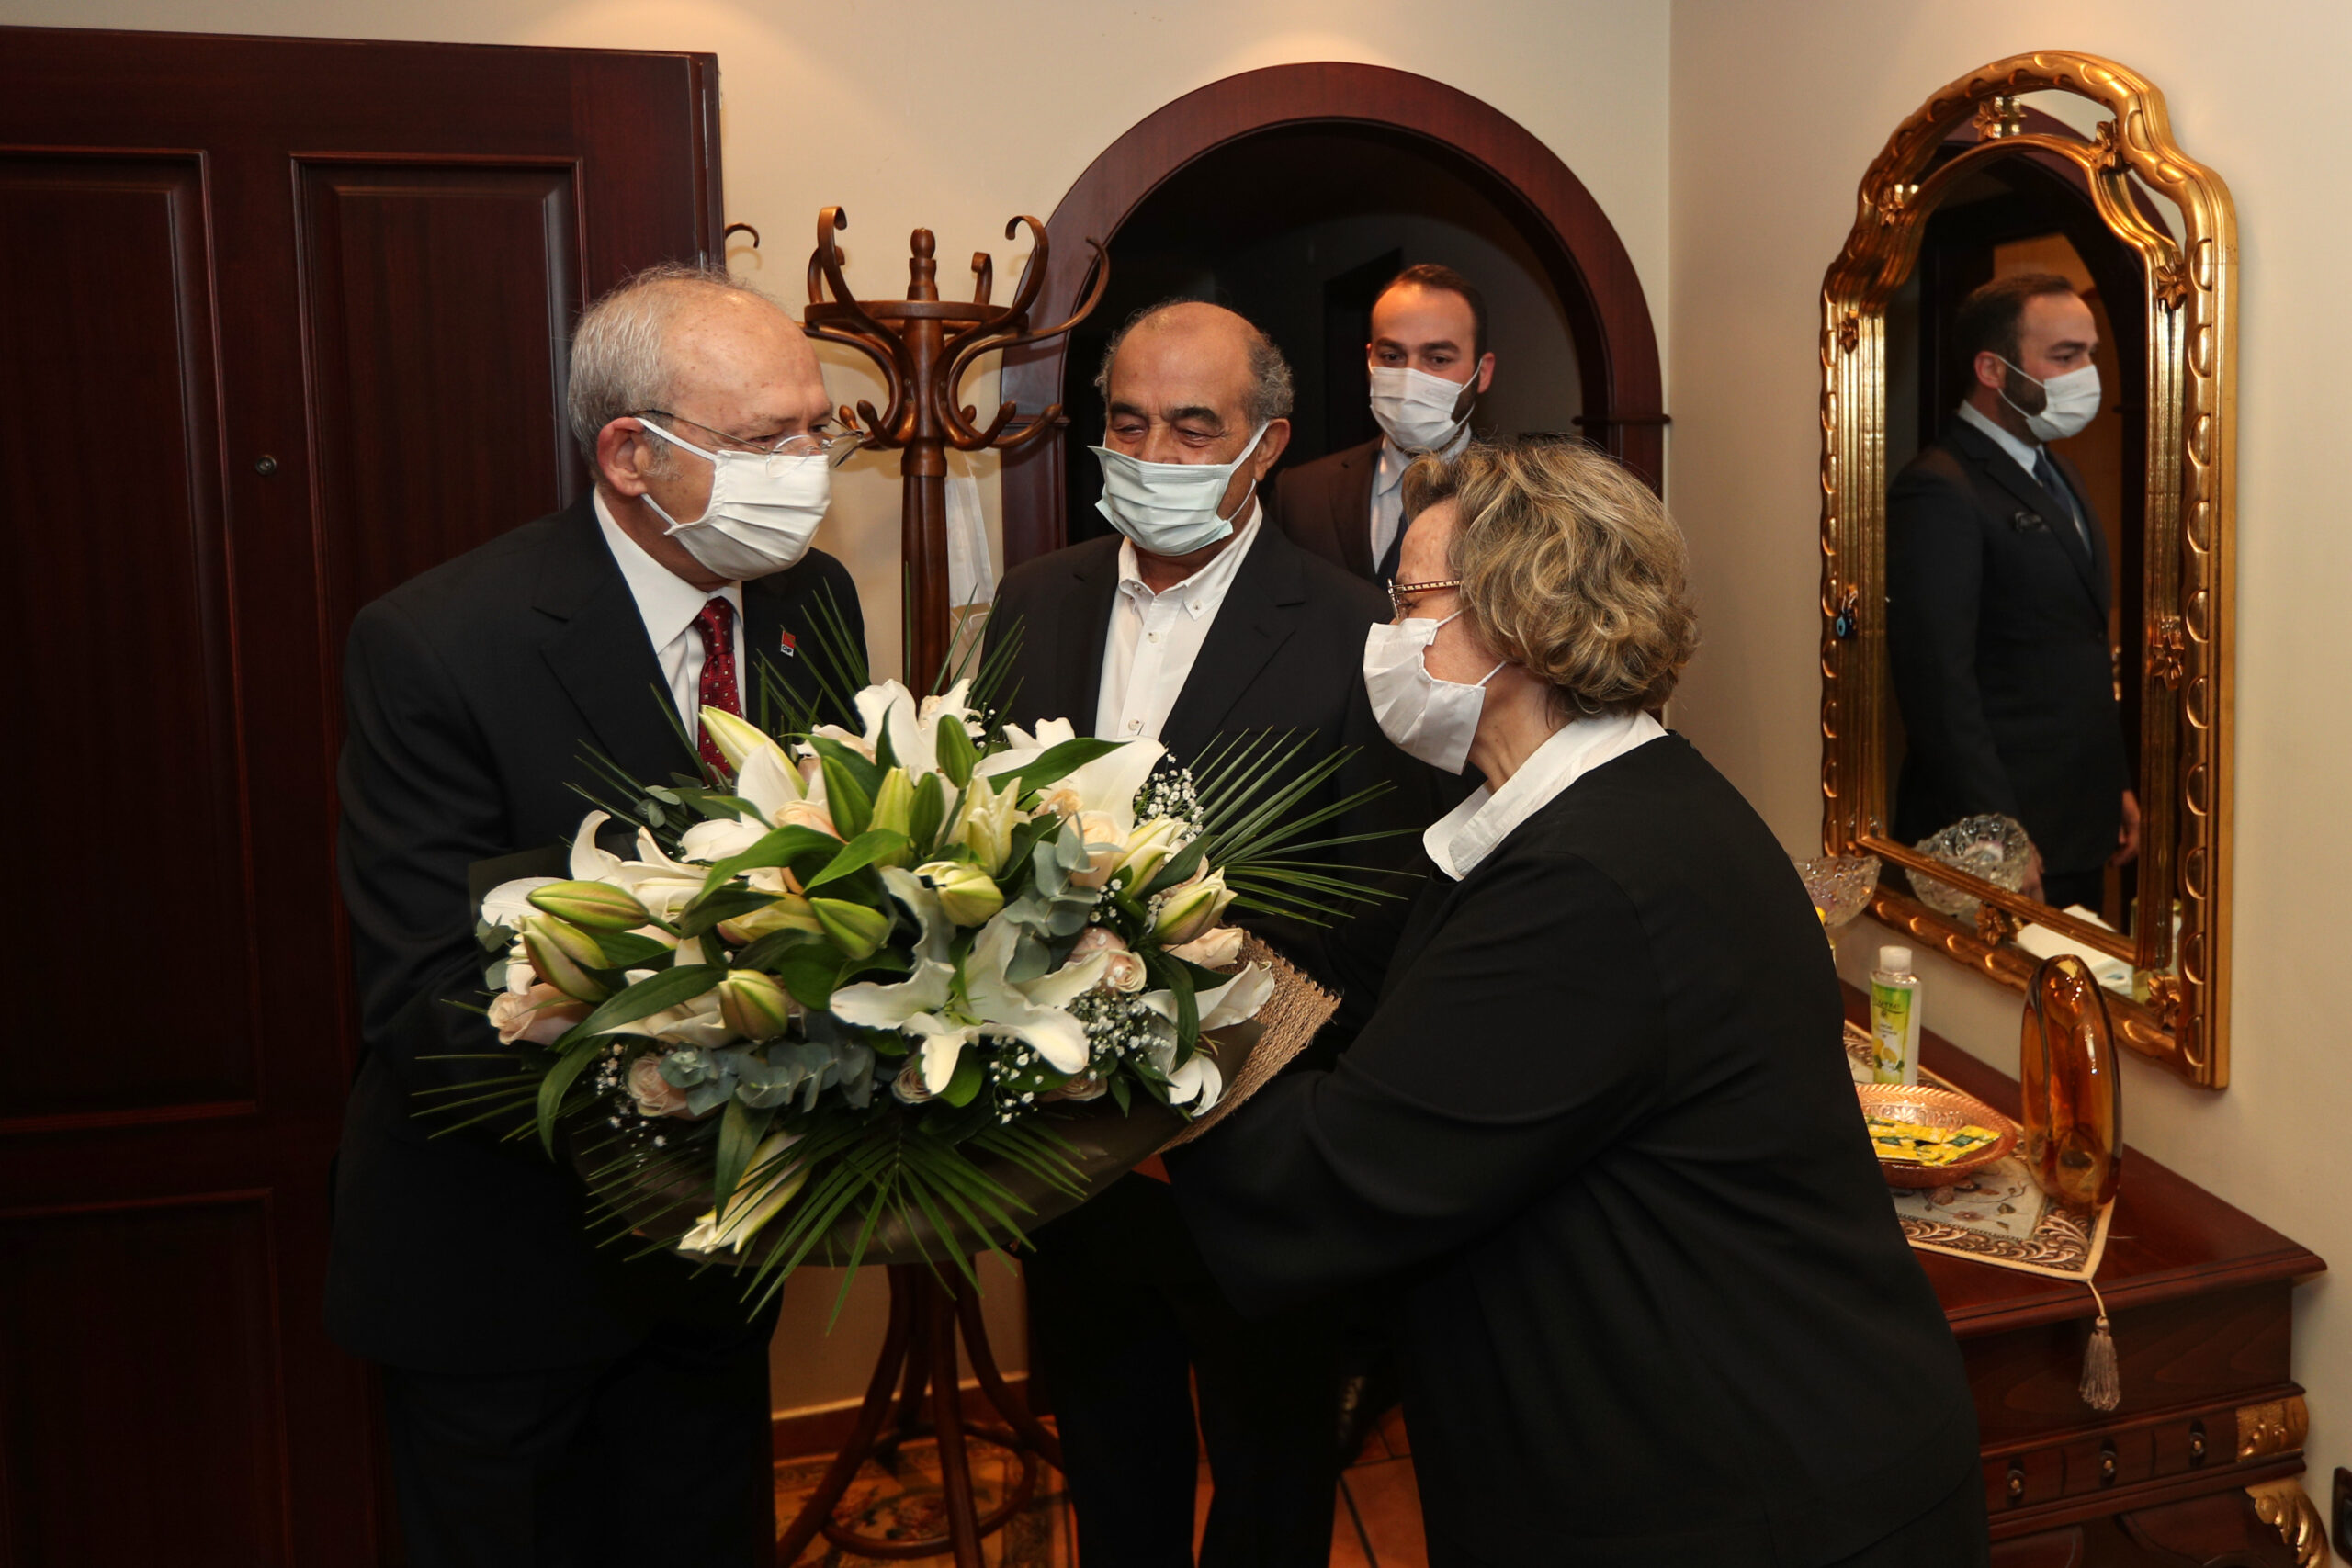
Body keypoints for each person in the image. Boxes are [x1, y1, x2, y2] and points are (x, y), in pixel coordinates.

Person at [1169, 439, 1989, 1568]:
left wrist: (1125, 1041)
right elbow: (1393, 1043)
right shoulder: (1589, 813)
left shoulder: (1594, 876)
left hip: (1763, 1500)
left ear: (1520, 618)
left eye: (1409, 601)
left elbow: (1337, 1174)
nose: (1387, 634)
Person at [327, 264, 865, 1567]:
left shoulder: (813, 604)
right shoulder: (441, 642)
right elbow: (428, 1002)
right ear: (631, 455)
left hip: (714, 1277)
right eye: (767, 440)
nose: (807, 468)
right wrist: (695, 1082)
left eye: (820, 429)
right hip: (501, 1280)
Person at [982, 299, 1431, 1567]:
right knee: (1110, 1462)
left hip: (1256, 1156)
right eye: (1128, 424)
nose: (1154, 455)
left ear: (1266, 443)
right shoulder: (1033, 601)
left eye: (1193, 428)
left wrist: (1191, 1062)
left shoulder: (1358, 632)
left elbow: (1374, 908)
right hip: (1067, 1156)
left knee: (1272, 1476)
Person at [1886, 272, 2137, 910]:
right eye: (2065, 356)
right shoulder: (1940, 486)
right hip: (2000, 835)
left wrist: (2113, 786)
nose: (2086, 374)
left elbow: (2076, 644)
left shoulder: (2060, 470)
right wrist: (1998, 833)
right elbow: (1938, 684)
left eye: (2090, 354)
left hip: (2078, 821)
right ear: (1992, 370)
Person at [1272, 263, 1495, 584]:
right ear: (1369, 360)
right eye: (1392, 356)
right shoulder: (1301, 494)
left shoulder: (1523, 502)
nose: (1409, 379)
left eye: (1438, 359)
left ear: (1482, 373)